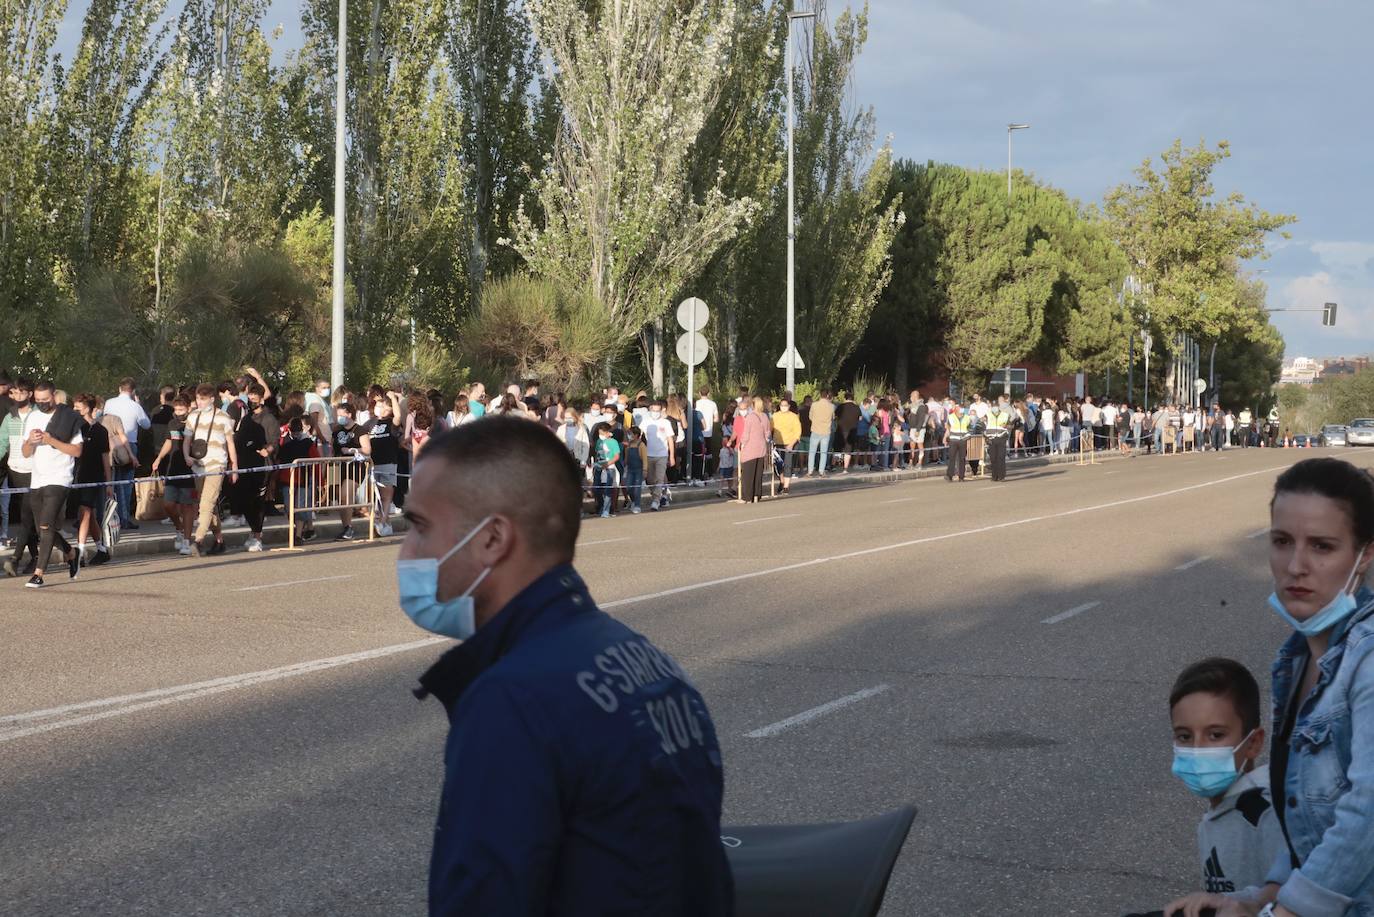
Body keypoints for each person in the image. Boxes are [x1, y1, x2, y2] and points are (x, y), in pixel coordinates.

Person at [399, 416, 732, 916]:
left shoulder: (512, 700)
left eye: (420, 526)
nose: (406, 552)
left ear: (492, 539)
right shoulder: (650, 662)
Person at [1198, 458, 1374, 917]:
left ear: (1366, 554)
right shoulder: (1297, 659)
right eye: (1281, 542)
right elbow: (1311, 820)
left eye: (1322, 546)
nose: (1296, 566)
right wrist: (1265, 894)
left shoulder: (1367, 660)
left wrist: (1290, 910)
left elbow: (1367, 815)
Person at [1161, 659, 1285, 916]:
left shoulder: (1265, 813)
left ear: (1253, 743)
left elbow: (1295, 896)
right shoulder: (1220, 813)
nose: (1197, 749)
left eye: (1215, 735)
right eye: (1184, 736)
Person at [6, 382, 82, 586]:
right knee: (42, 529)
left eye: (45, 400)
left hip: (59, 478)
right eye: (38, 401)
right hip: (38, 477)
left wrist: (51, 440)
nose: (41, 404)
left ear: (54, 396)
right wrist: (30, 441)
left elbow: (77, 451)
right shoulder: (33, 416)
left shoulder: (68, 417)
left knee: (46, 524)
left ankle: (39, 574)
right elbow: (25, 452)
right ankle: (70, 552)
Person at [182, 383, 238, 557]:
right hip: (198, 466)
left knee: (206, 505)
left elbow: (230, 443)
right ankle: (219, 540)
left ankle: (197, 541)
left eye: (203, 399)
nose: (199, 402)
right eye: (198, 398)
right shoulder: (192, 417)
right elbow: (186, 441)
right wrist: (187, 456)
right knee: (208, 507)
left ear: (212, 399)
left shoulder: (223, 417)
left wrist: (234, 466)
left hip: (217, 465)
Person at [102, 377, 150, 530]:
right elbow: (146, 425)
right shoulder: (135, 406)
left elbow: (105, 419)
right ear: (133, 391)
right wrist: (139, 404)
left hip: (110, 445)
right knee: (126, 484)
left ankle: (112, 516)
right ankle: (124, 517)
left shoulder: (109, 403)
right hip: (129, 444)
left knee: (113, 483)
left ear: (119, 388)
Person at [72, 394, 113, 566]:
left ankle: (80, 551)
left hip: (93, 476)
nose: (74, 410)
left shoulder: (100, 431)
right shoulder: (75, 428)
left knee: (85, 512)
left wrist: (109, 482)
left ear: (87, 408)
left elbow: (105, 458)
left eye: (77, 407)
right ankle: (101, 549)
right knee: (88, 516)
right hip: (76, 475)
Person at [640, 400, 675, 512]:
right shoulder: (646, 422)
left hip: (662, 455)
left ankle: (656, 500)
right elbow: (639, 435)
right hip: (649, 455)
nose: (655, 412)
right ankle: (659, 495)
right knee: (650, 480)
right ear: (650, 410)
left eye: (657, 411)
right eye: (653, 410)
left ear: (661, 411)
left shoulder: (666, 423)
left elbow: (670, 439)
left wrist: (672, 456)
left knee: (659, 478)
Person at [771, 398, 801, 494]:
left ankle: (786, 487)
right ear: (779, 406)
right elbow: (769, 429)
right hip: (778, 443)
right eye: (782, 405)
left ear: (789, 406)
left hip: (790, 444)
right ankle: (782, 481)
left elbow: (798, 432)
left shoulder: (794, 417)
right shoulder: (775, 416)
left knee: (788, 465)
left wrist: (791, 444)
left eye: (785, 405)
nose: (783, 407)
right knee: (778, 465)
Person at [591, 423, 621, 518]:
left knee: (608, 490)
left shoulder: (613, 442)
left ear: (608, 432)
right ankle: (601, 506)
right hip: (599, 468)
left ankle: (606, 510)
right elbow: (597, 454)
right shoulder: (599, 442)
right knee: (596, 489)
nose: (601, 435)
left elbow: (616, 456)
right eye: (600, 433)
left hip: (610, 468)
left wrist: (607, 464)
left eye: (603, 433)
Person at [944, 403, 971, 483]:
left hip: (963, 440)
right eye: (960, 408)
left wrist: (968, 435)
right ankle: (950, 475)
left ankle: (961, 477)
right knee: (952, 458)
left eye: (962, 408)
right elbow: (948, 428)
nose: (961, 410)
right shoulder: (951, 417)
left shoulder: (967, 417)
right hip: (953, 440)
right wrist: (945, 437)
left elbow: (970, 428)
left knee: (962, 459)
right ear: (956, 409)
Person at [985, 399, 1010, 482]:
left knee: (1001, 457)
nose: (994, 408)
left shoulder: (1005, 415)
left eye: (996, 406)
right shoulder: (987, 415)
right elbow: (981, 425)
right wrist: (985, 436)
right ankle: (994, 476)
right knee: (993, 458)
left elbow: (1011, 425)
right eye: (993, 406)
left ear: (998, 407)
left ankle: (1001, 476)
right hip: (991, 439)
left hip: (1001, 438)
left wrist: (1006, 425)